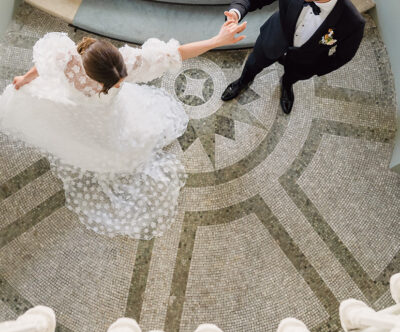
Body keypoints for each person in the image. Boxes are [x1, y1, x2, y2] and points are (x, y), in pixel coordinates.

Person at [0, 19, 246, 239]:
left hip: (111, 115)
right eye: (115, 83)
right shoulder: (65, 58)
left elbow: (177, 52)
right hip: (82, 113)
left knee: (118, 136)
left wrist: (217, 40)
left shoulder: (126, 62)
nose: (121, 82)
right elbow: (42, 68)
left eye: (121, 79)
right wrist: (24, 80)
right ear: (95, 76)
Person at [221, 0, 365, 114]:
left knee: (291, 77)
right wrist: (235, 13)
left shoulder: (353, 23)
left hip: (304, 61)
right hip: (273, 39)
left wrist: (315, 68)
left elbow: (342, 57)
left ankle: (287, 86)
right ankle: (242, 82)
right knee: (253, 64)